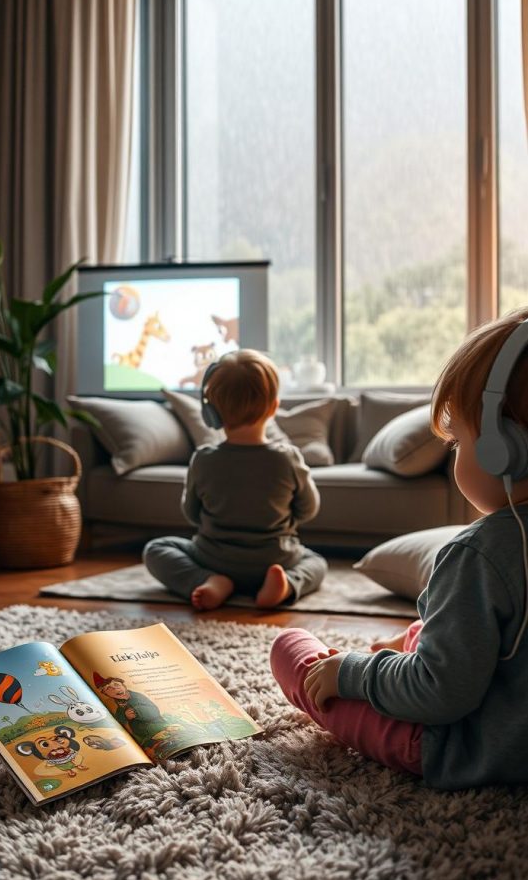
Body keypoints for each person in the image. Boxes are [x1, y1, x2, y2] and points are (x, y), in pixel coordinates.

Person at [271, 308, 528, 789]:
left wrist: (351, 674)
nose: (455, 452)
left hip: (464, 746)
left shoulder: (480, 554)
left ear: (504, 448)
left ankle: (378, 660)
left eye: (456, 442)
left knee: (291, 651)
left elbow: (439, 693)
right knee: (439, 630)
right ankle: (414, 642)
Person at [143, 349, 327, 610]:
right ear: (274, 407)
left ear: (212, 411)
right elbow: (308, 509)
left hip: (213, 558)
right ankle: (285, 584)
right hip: (274, 558)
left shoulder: (203, 459)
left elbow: (192, 513)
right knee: (316, 562)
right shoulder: (287, 458)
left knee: (156, 549)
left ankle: (210, 581)